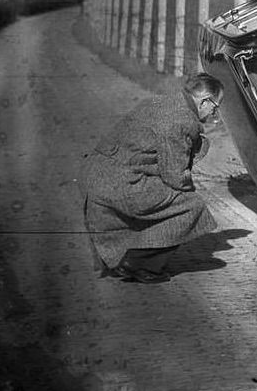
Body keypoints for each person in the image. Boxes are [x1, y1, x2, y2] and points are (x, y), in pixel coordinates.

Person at [82, 73, 224, 283]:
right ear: (204, 101)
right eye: (216, 106)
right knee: (192, 206)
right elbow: (175, 177)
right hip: (120, 185)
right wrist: (189, 185)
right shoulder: (183, 120)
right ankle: (139, 263)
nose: (215, 112)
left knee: (161, 197)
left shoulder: (161, 101)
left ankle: (122, 254)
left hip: (97, 175)